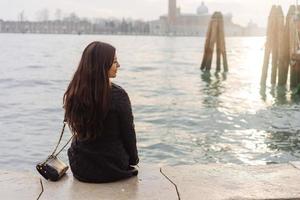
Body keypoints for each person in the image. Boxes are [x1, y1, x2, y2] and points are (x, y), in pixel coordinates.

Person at [63, 41, 139, 183]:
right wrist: (134, 159)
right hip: (112, 167)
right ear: (102, 64)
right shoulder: (118, 95)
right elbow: (128, 132)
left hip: (80, 167)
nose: (119, 65)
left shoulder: (75, 91)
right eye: (115, 62)